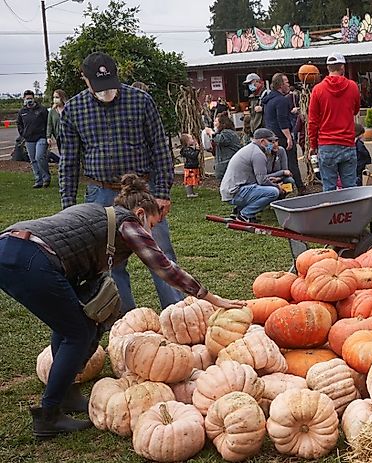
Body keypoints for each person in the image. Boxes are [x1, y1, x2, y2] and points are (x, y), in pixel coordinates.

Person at [0, 174, 243, 438]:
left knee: (69, 324)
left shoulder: (99, 215)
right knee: (77, 332)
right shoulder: (128, 223)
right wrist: (213, 299)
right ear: (140, 213)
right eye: (152, 224)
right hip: (30, 259)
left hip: (13, 248)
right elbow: (165, 267)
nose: (151, 233)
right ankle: (48, 416)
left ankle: (65, 392)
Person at [60, 52, 183, 314]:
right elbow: (68, 162)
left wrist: (161, 193)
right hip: (100, 194)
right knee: (109, 263)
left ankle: (177, 314)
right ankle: (126, 321)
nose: (107, 92)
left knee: (160, 254)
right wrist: (68, 207)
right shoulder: (73, 109)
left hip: (143, 191)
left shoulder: (141, 101)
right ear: (85, 80)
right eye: (100, 86)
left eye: (111, 84)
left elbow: (160, 148)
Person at [308, 53, 361, 191]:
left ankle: (331, 212)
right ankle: (351, 212)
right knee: (350, 187)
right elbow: (355, 110)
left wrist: (313, 145)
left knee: (329, 188)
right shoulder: (353, 86)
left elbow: (313, 121)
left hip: (326, 144)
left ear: (328, 68)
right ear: (342, 67)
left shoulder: (318, 90)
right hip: (347, 142)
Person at [220, 128, 286, 222]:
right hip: (235, 192)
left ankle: (238, 210)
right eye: (271, 141)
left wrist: (270, 180)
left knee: (266, 188)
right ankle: (245, 214)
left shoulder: (251, 149)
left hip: (232, 190)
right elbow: (262, 181)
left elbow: (258, 178)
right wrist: (277, 187)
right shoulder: (258, 154)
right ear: (262, 141)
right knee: (273, 192)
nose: (273, 144)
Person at [263, 73, 305, 193]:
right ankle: (300, 187)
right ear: (280, 85)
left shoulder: (268, 100)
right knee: (291, 161)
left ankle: (275, 187)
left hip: (270, 137)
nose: (288, 84)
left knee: (273, 162)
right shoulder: (282, 100)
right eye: (286, 82)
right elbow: (282, 120)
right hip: (281, 137)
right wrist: (289, 138)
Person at [17, 89, 50, 188]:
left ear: (34, 98)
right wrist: (23, 133)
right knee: (33, 160)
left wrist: (47, 135)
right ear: (24, 99)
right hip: (29, 139)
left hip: (41, 137)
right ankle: (38, 180)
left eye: (30, 98)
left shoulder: (42, 110)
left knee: (39, 157)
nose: (29, 100)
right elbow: (19, 124)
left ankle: (46, 178)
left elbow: (48, 122)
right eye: (27, 99)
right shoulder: (22, 112)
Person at [204, 113, 242, 180]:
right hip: (225, 166)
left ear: (222, 123)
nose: (214, 123)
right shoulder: (224, 133)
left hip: (228, 165)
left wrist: (211, 133)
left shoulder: (228, 133)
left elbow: (220, 140)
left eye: (216, 121)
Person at [46, 89, 67, 157]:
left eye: (57, 97)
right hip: (59, 136)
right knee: (62, 154)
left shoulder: (68, 109)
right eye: (54, 97)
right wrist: (48, 136)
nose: (55, 99)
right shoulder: (52, 112)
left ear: (62, 98)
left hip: (69, 135)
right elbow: (49, 124)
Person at [179, 133, 201, 198]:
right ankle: (189, 193)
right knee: (189, 181)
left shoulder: (189, 149)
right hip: (189, 168)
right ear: (187, 141)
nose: (193, 140)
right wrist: (197, 149)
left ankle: (192, 192)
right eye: (191, 139)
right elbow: (193, 156)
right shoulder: (186, 150)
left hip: (193, 166)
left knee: (191, 180)